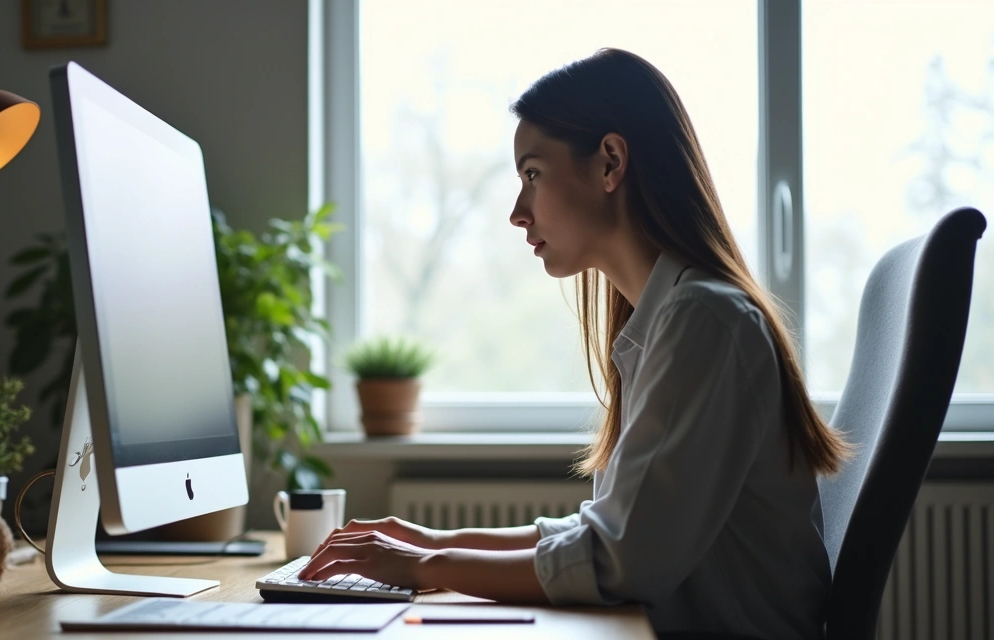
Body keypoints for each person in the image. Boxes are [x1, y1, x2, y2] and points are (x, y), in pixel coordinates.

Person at [297, 48, 850, 639]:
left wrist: (430, 566)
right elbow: (609, 532)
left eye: (533, 174)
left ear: (610, 162)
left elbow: (620, 560)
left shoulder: (704, 321)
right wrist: (437, 543)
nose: (517, 212)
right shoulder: (672, 318)